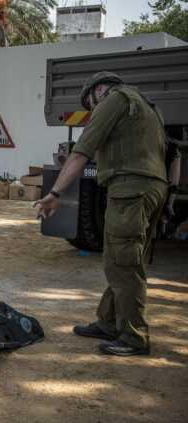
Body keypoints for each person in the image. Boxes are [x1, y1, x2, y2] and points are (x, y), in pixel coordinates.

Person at [35, 72, 171, 357]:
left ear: (98, 90)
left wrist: (56, 193)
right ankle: (109, 322)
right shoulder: (148, 106)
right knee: (121, 259)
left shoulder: (114, 100)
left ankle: (135, 337)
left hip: (130, 189)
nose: (92, 109)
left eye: (90, 104)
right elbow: (175, 154)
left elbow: (81, 151)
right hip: (153, 187)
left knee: (124, 264)